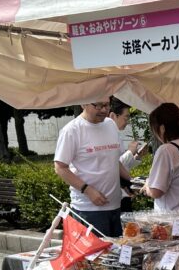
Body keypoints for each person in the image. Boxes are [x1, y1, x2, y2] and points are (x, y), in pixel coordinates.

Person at [54, 100, 131, 237]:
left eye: (107, 105)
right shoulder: (72, 130)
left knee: (117, 255)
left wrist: (131, 181)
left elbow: (114, 161)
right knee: (96, 257)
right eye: (98, 105)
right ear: (83, 103)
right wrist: (88, 190)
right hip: (89, 209)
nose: (103, 110)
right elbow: (60, 167)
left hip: (116, 205)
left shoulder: (111, 125)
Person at [108, 97, 148, 213]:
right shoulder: (109, 136)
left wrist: (137, 156)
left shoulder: (116, 135)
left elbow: (121, 166)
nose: (127, 121)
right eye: (126, 117)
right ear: (113, 116)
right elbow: (114, 164)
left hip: (121, 193)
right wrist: (130, 152)